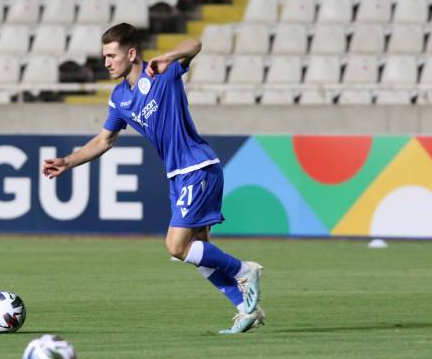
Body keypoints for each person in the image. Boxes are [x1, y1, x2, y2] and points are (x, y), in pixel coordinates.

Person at [42, 23, 265, 334]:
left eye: (111, 55)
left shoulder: (162, 73)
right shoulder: (120, 97)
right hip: (178, 174)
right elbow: (104, 140)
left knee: (176, 247)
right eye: (105, 56)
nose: (106, 63)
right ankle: (245, 308)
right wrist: (67, 162)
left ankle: (244, 270)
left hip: (196, 166)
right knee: (198, 250)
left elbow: (195, 44)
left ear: (131, 54)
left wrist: (168, 57)